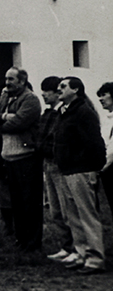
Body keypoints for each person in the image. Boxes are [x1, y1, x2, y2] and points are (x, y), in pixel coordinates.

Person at [51, 76, 106, 274]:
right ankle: (81, 253)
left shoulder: (83, 112)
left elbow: (95, 143)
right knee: (73, 216)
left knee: (87, 214)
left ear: (75, 90)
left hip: (82, 170)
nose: (59, 90)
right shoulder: (64, 113)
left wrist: (93, 169)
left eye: (63, 86)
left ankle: (95, 258)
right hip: (67, 171)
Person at [0, 67, 42, 252]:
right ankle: (21, 239)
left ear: (22, 81)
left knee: (29, 202)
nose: (7, 83)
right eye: (6, 79)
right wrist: (3, 112)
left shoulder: (30, 99)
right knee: (16, 202)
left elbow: (18, 123)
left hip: (26, 157)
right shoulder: (7, 98)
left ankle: (33, 243)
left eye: (11, 79)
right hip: (9, 158)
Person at [37, 77, 73, 262]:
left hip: (59, 166)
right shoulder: (48, 114)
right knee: (55, 210)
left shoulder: (63, 114)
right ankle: (66, 246)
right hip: (48, 164)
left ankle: (75, 248)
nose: (43, 94)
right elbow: (40, 138)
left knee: (67, 209)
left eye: (47, 91)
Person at [97, 82, 113, 218]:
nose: (101, 99)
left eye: (104, 95)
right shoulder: (107, 119)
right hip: (107, 168)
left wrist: (101, 167)